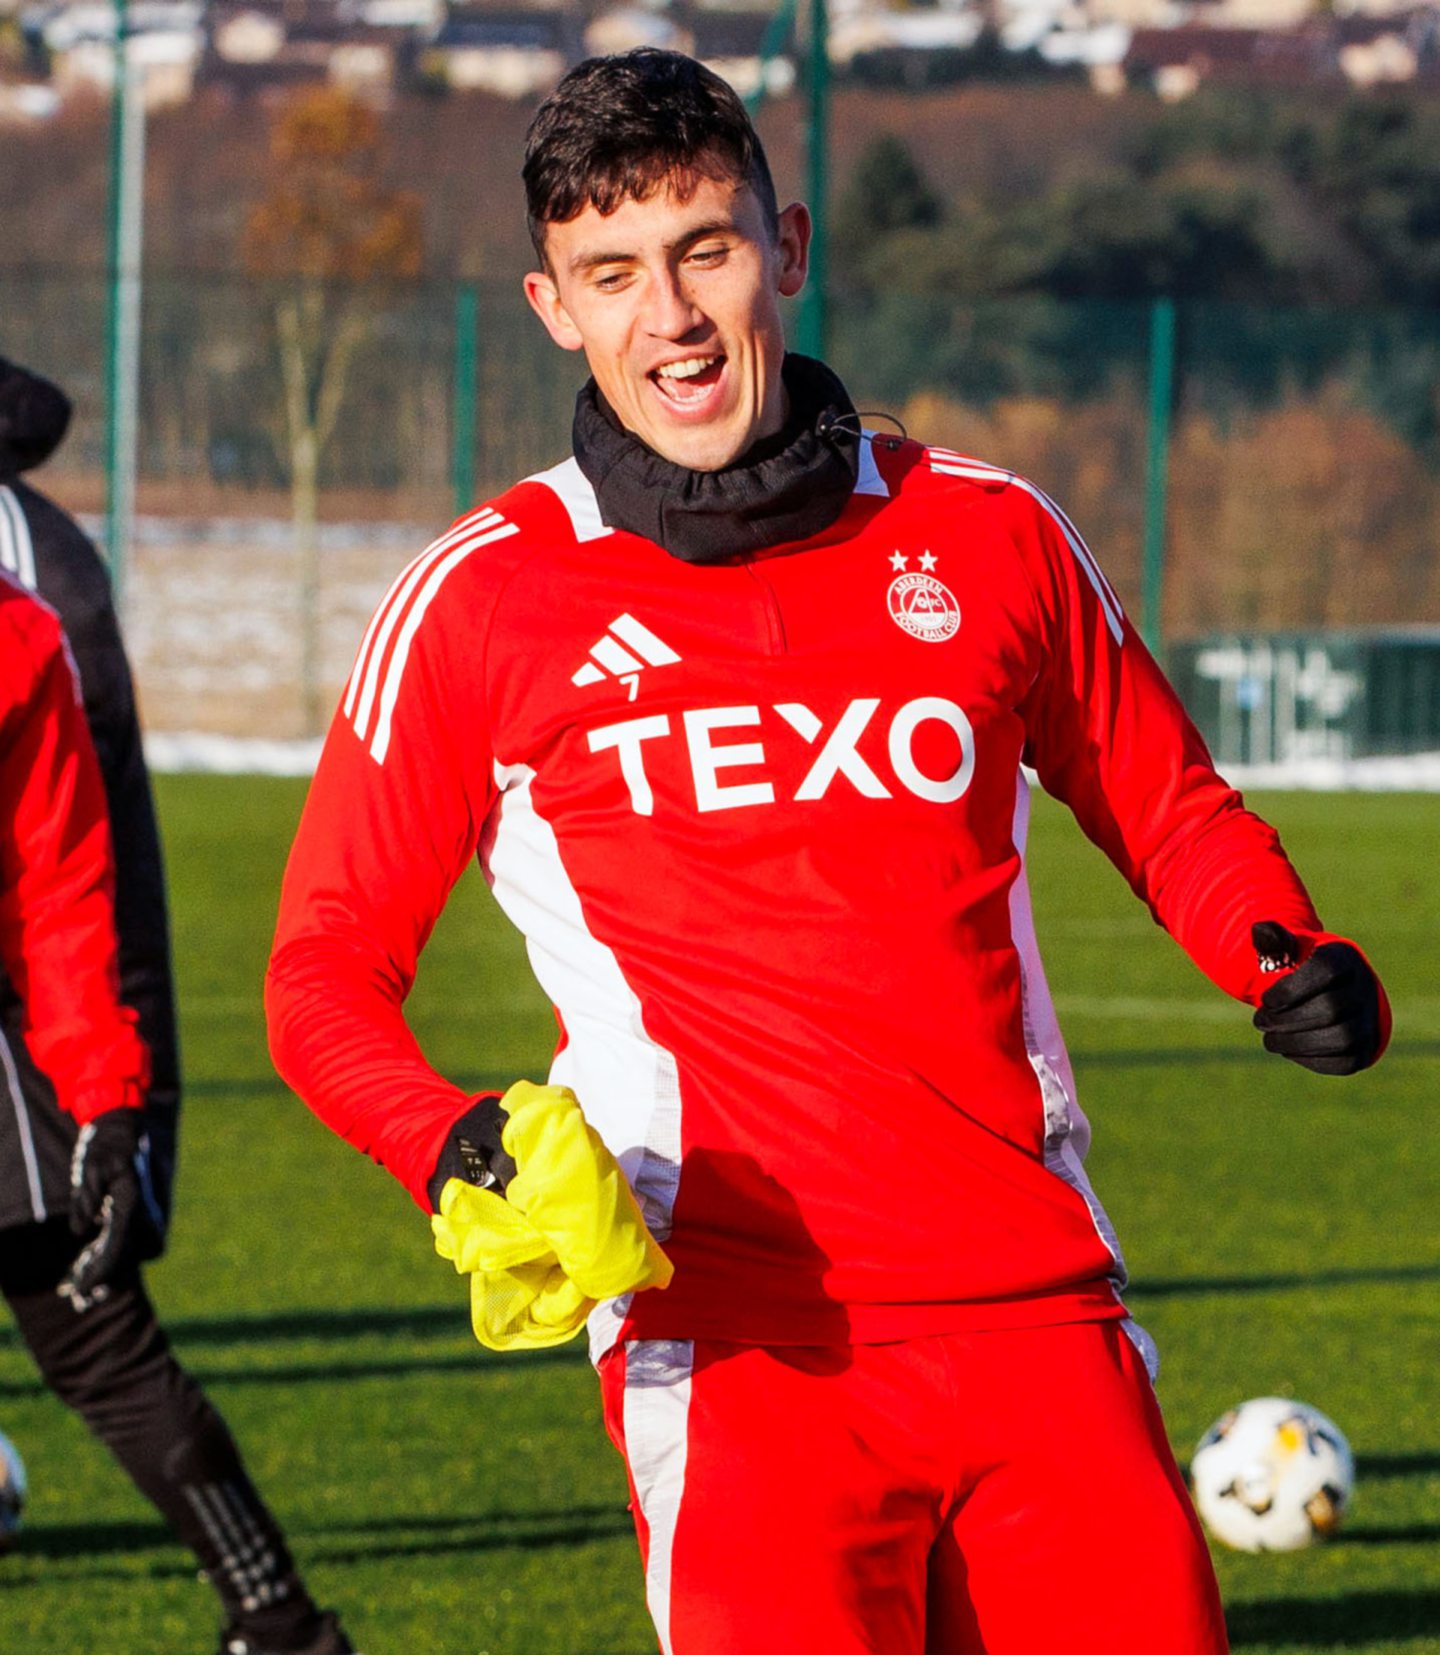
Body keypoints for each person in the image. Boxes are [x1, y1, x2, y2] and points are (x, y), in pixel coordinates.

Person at [266, 49, 1389, 1655]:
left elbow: (1169, 803)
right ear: (551, 306)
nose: (672, 316)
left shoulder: (990, 531)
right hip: (731, 1345)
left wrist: (1282, 945)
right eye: (613, 274)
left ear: (784, 249)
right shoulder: (481, 597)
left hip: (1038, 1314)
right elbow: (321, 972)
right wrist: (442, 1137)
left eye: (705, 251)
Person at [0, 357, 356, 1655]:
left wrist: (105, 1100)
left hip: (12, 1087)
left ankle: (280, 1623)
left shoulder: (21, 634)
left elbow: (63, 892)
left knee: (102, 1348)